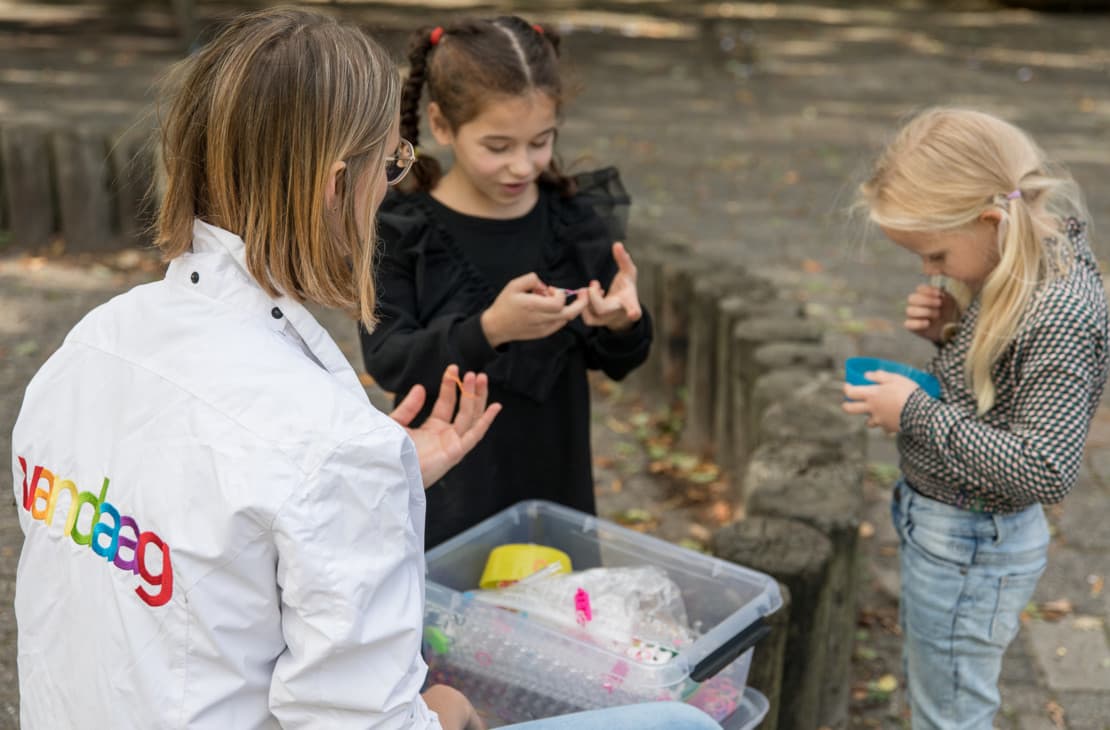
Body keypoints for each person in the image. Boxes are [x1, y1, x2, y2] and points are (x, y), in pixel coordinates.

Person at [11, 9, 718, 730]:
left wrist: (378, 470)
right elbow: (360, 720)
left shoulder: (89, 348)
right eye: (389, 167)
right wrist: (441, 713)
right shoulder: (329, 445)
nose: (390, 189)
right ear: (335, 185)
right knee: (683, 724)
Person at [843, 108, 1109, 729]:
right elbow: (1005, 388)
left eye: (934, 253)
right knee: (940, 688)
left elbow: (1045, 469)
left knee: (952, 713)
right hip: (950, 532)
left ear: (990, 220)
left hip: (971, 545)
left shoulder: (1059, 314)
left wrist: (917, 414)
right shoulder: (1014, 264)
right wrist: (952, 332)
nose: (928, 270)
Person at [359, 17, 653, 548]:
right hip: (452, 495)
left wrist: (621, 321)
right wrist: (490, 329)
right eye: (498, 147)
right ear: (442, 125)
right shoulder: (403, 232)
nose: (523, 165)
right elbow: (388, 359)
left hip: (556, 489)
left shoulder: (572, 221)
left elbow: (621, 359)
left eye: (540, 142)